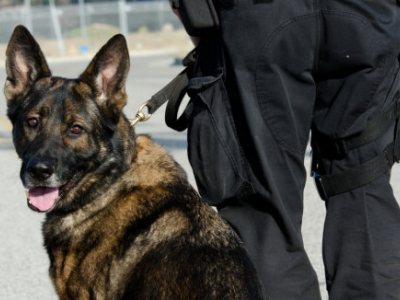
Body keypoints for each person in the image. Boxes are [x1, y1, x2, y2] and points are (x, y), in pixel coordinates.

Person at [169, 1, 400, 299]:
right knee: (364, 191)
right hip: (366, 14)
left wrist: (193, 14)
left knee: (263, 212)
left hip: (258, 16)